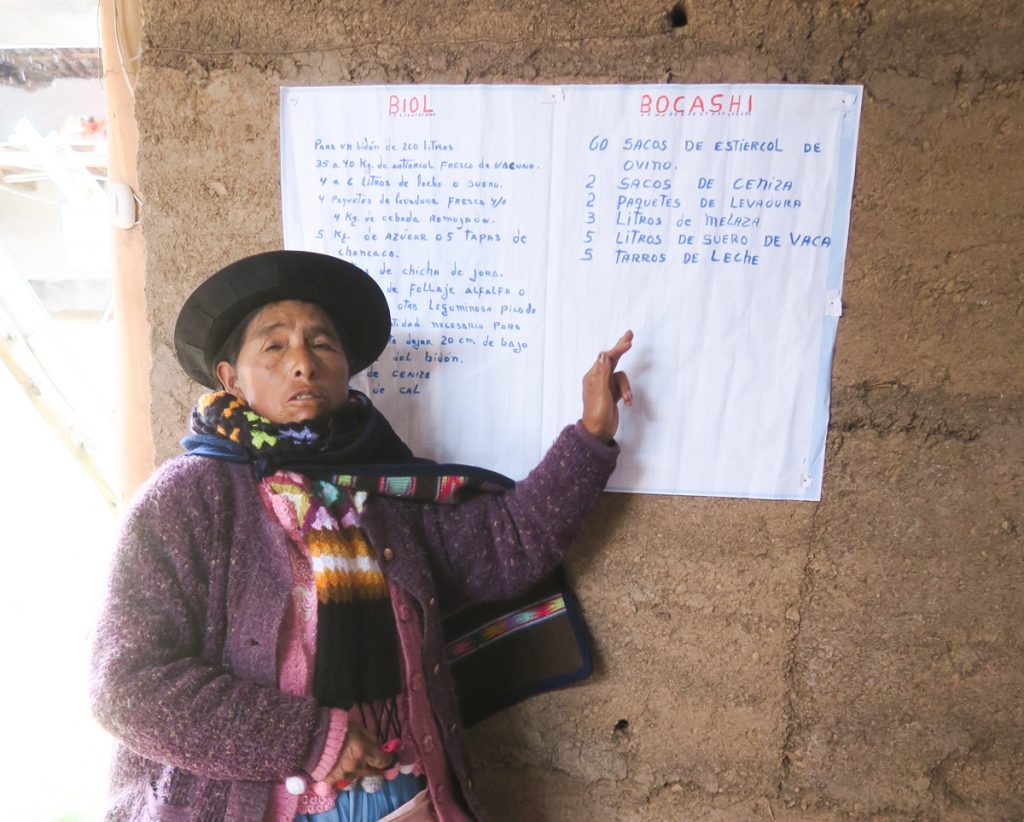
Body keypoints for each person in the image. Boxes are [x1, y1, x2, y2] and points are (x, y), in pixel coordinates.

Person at [90, 250, 633, 822]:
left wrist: (592, 434)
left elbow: (509, 543)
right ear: (230, 378)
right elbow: (124, 683)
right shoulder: (188, 499)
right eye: (274, 347)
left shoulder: (384, 491)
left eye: (322, 344)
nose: (303, 362)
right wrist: (308, 739)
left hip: (405, 798)